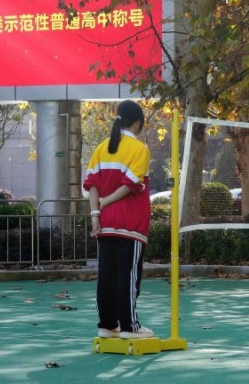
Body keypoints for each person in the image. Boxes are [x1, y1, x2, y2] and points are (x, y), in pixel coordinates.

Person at [84, 100, 154, 339]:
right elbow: (131, 184)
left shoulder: (101, 148)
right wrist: (106, 201)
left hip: (105, 223)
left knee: (107, 275)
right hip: (130, 223)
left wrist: (96, 213)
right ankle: (129, 327)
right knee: (128, 275)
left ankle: (107, 325)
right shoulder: (140, 149)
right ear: (138, 122)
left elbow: (91, 184)